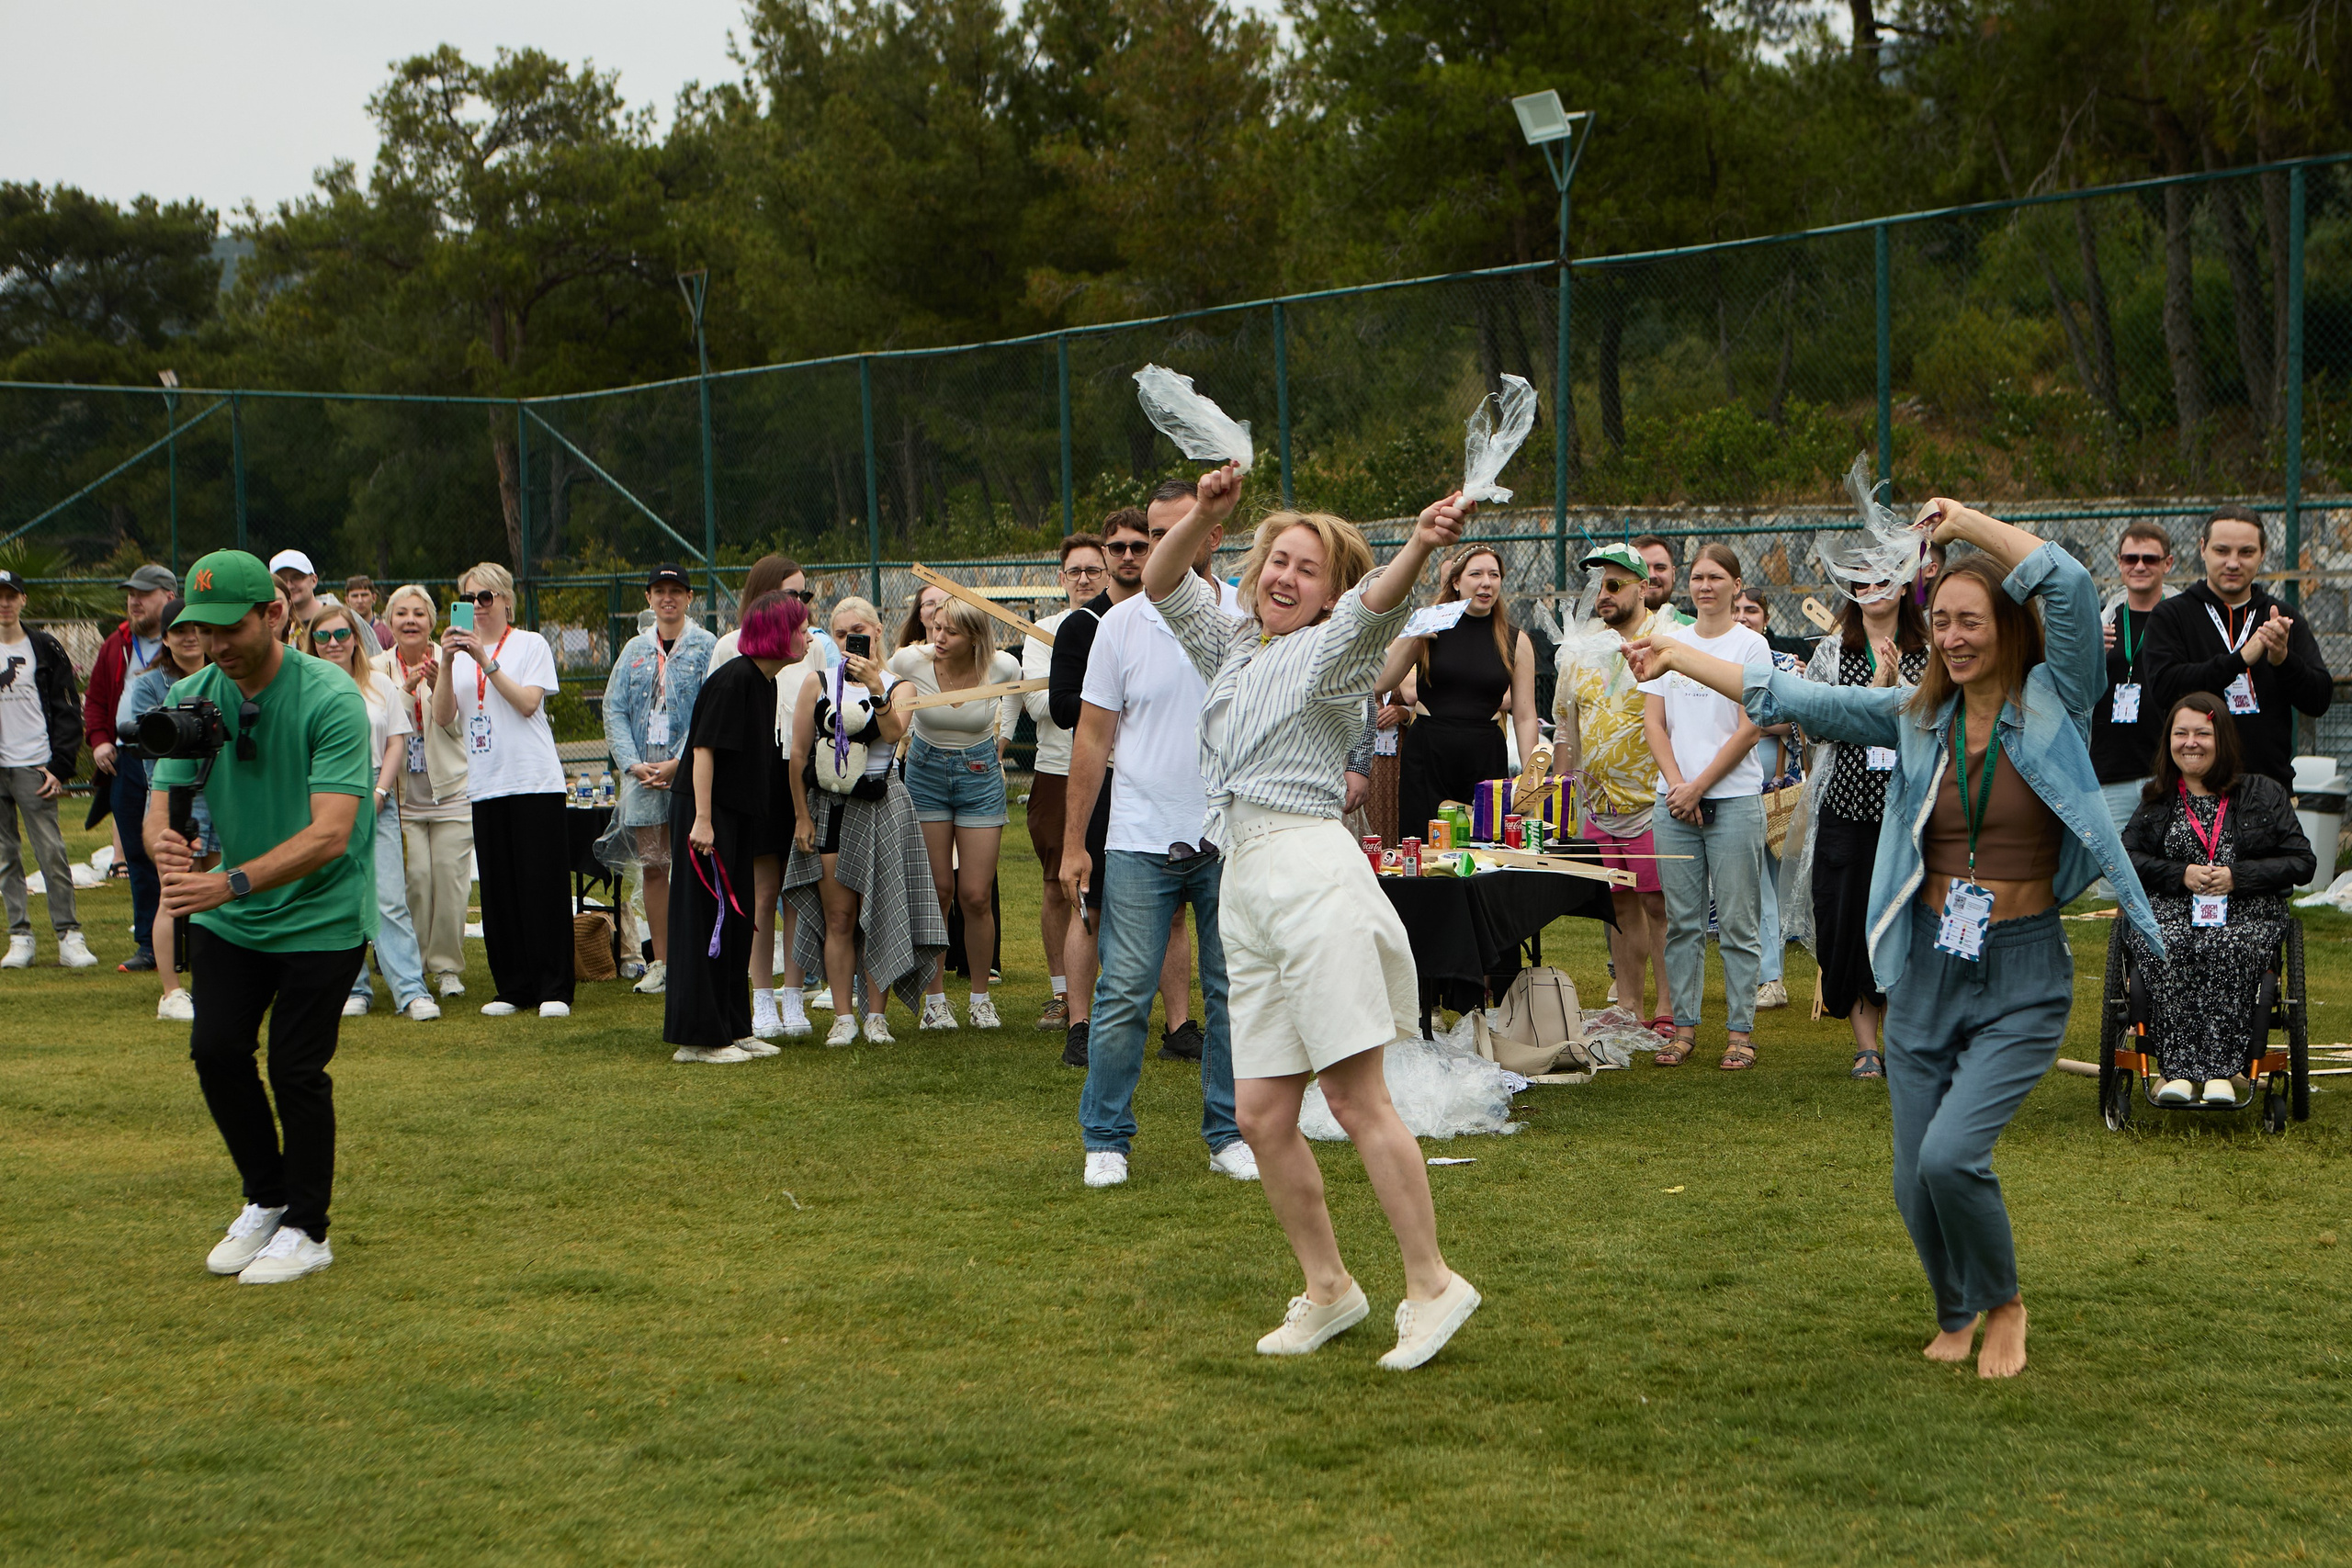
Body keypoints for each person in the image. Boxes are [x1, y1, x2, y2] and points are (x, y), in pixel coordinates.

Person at [1625, 500, 2163, 1379]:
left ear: (2007, 628)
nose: (1952, 637)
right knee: (1913, 1175)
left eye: (1969, 620)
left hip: (2023, 973)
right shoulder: (1916, 716)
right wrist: (1678, 653)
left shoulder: (2055, 696)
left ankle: (2005, 1305)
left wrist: (1966, 522)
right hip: (1926, 964)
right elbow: (1801, 698)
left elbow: (2063, 579)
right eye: (1941, 619)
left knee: (1955, 1158)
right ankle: (1955, 1310)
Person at [1140, 463, 1480, 1371]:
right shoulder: (1234, 646)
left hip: (1308, 868)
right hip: (1241, 880)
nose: (1284, 577)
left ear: (1329, 590)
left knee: (1354, 1096)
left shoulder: (1335, 651)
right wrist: (1206, 514)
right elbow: (1160, 581)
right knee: (1258, 1112)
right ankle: (1329, 1289)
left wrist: (1418, 544)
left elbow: (1376, 608)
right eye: (1274, 561)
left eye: (1305, 569)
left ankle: (1432, 1283)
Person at [143, 549, 378, 1286]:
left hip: (323, 909)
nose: (215, 647)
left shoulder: (329, 697)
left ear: (274, 614)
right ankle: (266, 1197)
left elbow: (331, 832)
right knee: (215, 1050)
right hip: (235, 912)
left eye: (229, 628)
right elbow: (158, 811)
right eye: (200, 631)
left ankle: (309, 1229)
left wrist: (228, 881)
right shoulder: (194, 696)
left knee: (295, 1067)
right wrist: (168, 849)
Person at [1060, 488, 1252, 1191]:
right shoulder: (1118, 626)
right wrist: (1074, 842)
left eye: (1178, 531)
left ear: (1213, 536)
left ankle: (1228, 1131)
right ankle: (1105, 1137)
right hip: (1139, 835)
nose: (1159, 546)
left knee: (1234, 992)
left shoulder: (1246, 618)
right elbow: (1092, 735)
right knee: (1124, 994)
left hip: (1231, 836)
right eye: (1152, 532)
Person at [1047, 500, 1202, 1069]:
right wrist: (1114, 710)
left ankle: (1180, 1024)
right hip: (1106, 782)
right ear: (1106, 554)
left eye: (1143, 545)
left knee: (1176, 909)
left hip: (1164, 785)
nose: (1132, 556)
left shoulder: (1181, 616)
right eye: (1120, 548)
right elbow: (1065, 708)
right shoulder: (1086, 624)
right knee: (1088, 902)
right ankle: (1081, 1023)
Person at [2122, 694, 2314, 1105]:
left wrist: (2236, 877)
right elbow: (2125, 858)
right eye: (2181, 733)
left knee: (2229, 945)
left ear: (2222, 739)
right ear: (2168, 741)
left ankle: (2224, 1074)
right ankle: (2179, 1073)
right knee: (2167, 945)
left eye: (2202, 733)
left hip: (2247, 909)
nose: (2191, 742)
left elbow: (2302, 862)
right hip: (2172, 908)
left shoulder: (2264, 793)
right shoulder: (2156, 798)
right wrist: (2182, 874)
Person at [783, 597, 947, 1046]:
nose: (849, 639)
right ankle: (843, 1016)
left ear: (877, 631)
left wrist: (875, 684)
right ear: (830, 638)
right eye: (839, 633)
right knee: (839, 916)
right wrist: (801, 815)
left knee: (882, 911)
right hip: (830, 807)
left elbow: (894, 732)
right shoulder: (815, 684)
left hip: (882, 805)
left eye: (859, 630)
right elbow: (798, 754)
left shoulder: (900, 685)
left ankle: (876, 1016)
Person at [1636, 544, 1771, 1069]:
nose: (1705, 586)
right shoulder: (1670, 643)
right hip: (1674, 802)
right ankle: (1683, 1029)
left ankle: (1740, 1034)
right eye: (1697, 577)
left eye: (1717, 577)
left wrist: (1701, 786)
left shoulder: (1751, 647)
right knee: (1682, 923)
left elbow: (1751, 725)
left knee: (1738, 923)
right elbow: (1654, 721)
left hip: (1733, 799)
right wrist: (1678, 786)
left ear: (1737, 586)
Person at [1788, 579, 1929, 1079]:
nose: (1875, 589)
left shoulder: (1929, 646)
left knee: (1906, 921)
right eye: (1863, 581)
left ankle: (1905, 1041)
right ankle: (1866, 1046)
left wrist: (1896, 689)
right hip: (1846, 811)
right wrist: (1876, 690)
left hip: (1909, 815)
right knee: (1846, 924)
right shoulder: (1832, 651)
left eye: (1886, 579)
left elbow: (1936, 720)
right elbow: (1818, 725)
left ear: (1905, 586)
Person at [667, 592, 808, 1064]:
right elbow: (704, 751)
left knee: (739, 917)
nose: (807, 637)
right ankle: (698, 1037)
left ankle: (732, 1025)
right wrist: (703, 820)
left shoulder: (764, 683)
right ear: (778, 635)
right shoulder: (733, 681)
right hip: (707, 813)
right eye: (801, 628)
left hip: (736, 814)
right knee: (708, 916)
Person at [432, 562, 573, 1019]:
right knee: (499, 889)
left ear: (506, 601)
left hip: (533, 780)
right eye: (469, 598)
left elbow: (528, 703)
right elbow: (441, 717)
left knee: (542, 886)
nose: (477, 606)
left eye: (485, 598)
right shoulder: (454, 653)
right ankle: (513, 986)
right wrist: (449, 660)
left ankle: (554, 986)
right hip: (486, 783)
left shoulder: (529, 644)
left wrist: (485, 661)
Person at [1551, 544, 1673, 1032]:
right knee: (1618, 904)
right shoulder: (1578, 652)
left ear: (1643, 588)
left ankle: (1668, 1007)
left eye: (1615, 584)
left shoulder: (1665, 641)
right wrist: (1560, 787)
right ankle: (1628, 1006)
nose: (1604, 594)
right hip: (1598, 805)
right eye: (1598, 585)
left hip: (1652, 801)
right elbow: (1565, 726)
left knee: (1659, 903)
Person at [891, 594, 1022, 1031]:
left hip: (980, 773)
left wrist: (1001, 744)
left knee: (976, 895)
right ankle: (935, 1001)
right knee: (938, 891)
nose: (938, 637)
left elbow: (1017, 690)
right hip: (926, 773)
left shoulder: (999, 666)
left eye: (950, 631)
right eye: (936, 626)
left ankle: (980, 997)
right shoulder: (913, 661)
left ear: (975, 637)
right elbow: (886, 687)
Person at [299, 605, 435, 1022]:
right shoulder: (302, 688)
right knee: (339, 897)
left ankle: (411, 991)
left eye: (342, 634)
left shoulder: (379, 684)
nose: (334, 643)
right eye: (323, 637)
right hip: (321, 794)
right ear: (311, 643)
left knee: (390, 899)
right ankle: (353, 988)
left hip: (377, 792)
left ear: (356, 638)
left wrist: (379, 791)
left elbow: (396, 742)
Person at [710, 554, 826, 1025]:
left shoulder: (812, 647)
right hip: (752, 774)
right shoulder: (729, 647)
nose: (802, 604)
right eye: (792, 594)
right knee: (762, 890)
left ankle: (794, 993)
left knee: (799, 888)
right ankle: (761, 996)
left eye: (805, 595)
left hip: (798, 773)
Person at [2143, 506, 2332, 789]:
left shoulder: (2281, 616)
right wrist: (2240, 659)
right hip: (2193, 792)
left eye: (2246, 552)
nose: (2233, 563)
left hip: (2269, 790)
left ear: (2263, 553)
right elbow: (2165, 688)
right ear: (2203, 549)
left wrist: (2283, 660)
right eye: (2222, 551)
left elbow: (2319, 700)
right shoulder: (2171, 616)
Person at [605, 566, 717, 1002]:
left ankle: (703, 953)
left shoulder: (706, 646)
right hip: (644, 778)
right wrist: (633, 764)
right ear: (649, 598)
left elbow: (708, 709)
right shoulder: (633, 649)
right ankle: (663, 962)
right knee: (654, 867)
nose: (667, 599)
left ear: (689, 597)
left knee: (698, 864)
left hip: (690, 774)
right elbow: (614, 710)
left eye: (676, 591)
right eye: (659, 591)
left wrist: (678, 762)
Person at [1375, 545, 1537, 840]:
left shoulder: (1516, 640)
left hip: (1485, 756)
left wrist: (1531, 779)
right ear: (1455, 582)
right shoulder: (1429, 626)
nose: (1486, 582)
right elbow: (1381, 682)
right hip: (1428, 754)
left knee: (1485, 850)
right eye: (1476, 574)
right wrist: (1410, 635)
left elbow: (1525, 715)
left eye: (1494, 574)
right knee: (1421, 850)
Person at [1021, 533, 1107, 1032]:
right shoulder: (1042, 632)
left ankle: (1113, 995)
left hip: (1123, 771)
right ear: (1061, 577)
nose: (1083, 579)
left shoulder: (1123, 620)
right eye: (1074, 571)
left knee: (1126, 887)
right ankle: (1062, 995)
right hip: (1059, 771)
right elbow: (1042, 708)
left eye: (1092, 570)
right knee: (1061, 885)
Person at [377, 586, 471, 1000]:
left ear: (433, 621)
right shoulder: (377, 667)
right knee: (415, 879)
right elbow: (376, 724)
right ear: (389, 622)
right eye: (401, 614)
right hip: (403, 795)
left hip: (450, 788)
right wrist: (405, 689)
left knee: (451, 882)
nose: (410, 621)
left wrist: (440, 683)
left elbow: (455, 726)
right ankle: (412, 965)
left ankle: (447, 968)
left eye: (419, 613)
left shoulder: (455, 660)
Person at [125, 600, 216, 1014]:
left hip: (219, 792)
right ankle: (171, 991)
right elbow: (151, 747)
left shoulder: (226, 681)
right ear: (164, 638)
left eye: (196, 628)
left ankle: (217, 980)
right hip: (172, 790)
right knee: (175, 889)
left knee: (217, 885)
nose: (189, 636)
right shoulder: (149, 684)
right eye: (178, 630)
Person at [85, 562, 177, 972]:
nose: (134, 601)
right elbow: (97, 698)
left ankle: (192, 941)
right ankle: (148, 944)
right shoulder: (117, 642)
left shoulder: (187, 639)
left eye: (144, 593)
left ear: (169, 597)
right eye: (130, 594)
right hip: (128, 759)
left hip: (177, 759)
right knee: (138, 853)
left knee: (182, 850)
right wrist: (100, 739)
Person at [0, 568, 93, 971]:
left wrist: (60, 764)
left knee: (52, 853)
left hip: (35, 766)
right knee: (5, 856)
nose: (4, 603)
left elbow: (68, 708)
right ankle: (20, 937)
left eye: (10, 595)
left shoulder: (43, 646)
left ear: (22, 600)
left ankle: (69, 935)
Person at [1733, 587, 1806, 1011]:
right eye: (1738, 609)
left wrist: (1756, 724)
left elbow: (1794, 719)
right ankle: (1765, 976)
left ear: (1766, 617)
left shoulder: (1782, 664)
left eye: (1752, 610)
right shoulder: (1720, 660)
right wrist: (1762, 722)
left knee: (1773, 885)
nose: (1743, 616)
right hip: (1733, 785)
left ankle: (1770, 977)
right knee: (1752, 885)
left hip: (1777, 790)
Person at [2093, 525, 2178, 834]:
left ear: (2167, 564)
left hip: (2170, 768)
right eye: (2130, 558)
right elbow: (2074, 690)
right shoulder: (2101, 620)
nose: (2139, 566)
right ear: (2119, 562)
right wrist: (2087, 654)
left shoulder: (2182, 620)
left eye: (2150, 559)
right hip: (2112, 768)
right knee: (2115, 875)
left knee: (2171, 874)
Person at [1633, 535, 1694, 626]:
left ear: (1673, 574)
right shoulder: (1609, 632)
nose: (1651, 575)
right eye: (1643, 569)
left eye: (1660, 568)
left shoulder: (1693, 628)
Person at [345, 575, 391, 647]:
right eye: (355, 596)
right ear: (347, 600)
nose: (360, 601)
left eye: (364, 595)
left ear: (374, 598)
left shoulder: (387, 632)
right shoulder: (343, 631)